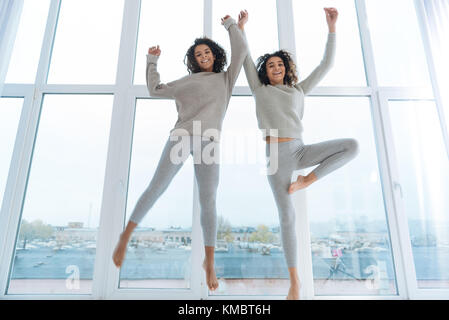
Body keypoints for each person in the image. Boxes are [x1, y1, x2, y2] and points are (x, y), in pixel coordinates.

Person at [112, 13, 248, 292]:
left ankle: (209, 262)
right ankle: (125, 235)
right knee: (157, 186)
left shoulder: (225, 79)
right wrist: (152, 61)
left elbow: (242, 51)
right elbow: (155, 90)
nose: (203, 56)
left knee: (208, 200)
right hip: (183, 137)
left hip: (209, 141)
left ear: (215, 54)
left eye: (207, 51)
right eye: (198, 54)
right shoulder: (186, 82)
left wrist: (233, 26)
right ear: (194, 60)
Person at [239, 8, 359, 299]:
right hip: (276, 156)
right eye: (270, 65)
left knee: (352, 145)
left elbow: (326, 64)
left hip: (300, 148)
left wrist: (332, 28)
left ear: (286, 68)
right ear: (265, 72)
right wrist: (240, 29)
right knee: (287, 218)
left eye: (279, 63)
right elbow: (244, 58)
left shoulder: (299, 90)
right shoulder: (259, 90)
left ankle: (308, 180)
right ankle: (295, 283)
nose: (275, 67)